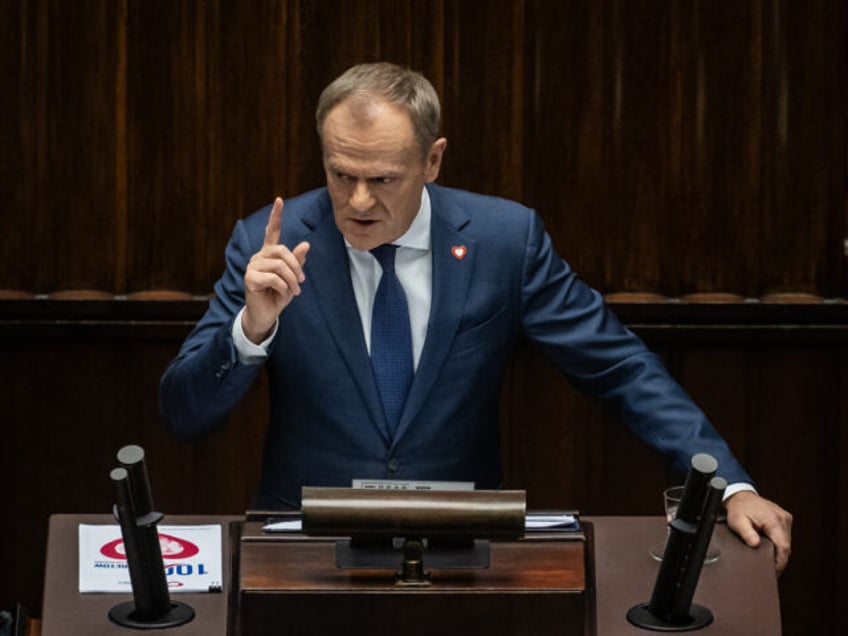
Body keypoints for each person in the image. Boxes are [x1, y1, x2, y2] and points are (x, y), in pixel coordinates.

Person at [160, 62, 792, 573]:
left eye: (382, 178)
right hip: (304, 553)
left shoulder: (502, 241)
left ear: (433, 161)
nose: (356, 201)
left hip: (462, 551)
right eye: (339, 174)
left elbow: (619, 367)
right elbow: (184, 415)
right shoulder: (267, 243)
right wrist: (252, 329)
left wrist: (729, 486)